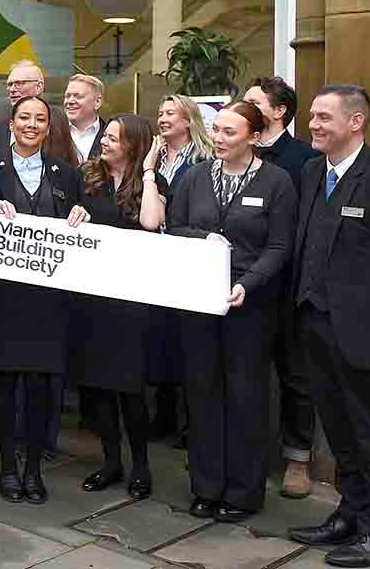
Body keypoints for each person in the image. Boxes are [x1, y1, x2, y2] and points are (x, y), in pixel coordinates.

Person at [287, 86, 370, 568]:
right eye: (312, 117)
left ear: (355, 122)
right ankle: (350, 513)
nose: (313, 125)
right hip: (314, 323)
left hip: (365, 333)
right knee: (337, 426)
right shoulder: (312, 171)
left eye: (323, 117)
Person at [167, 101, 297, 522]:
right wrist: (204, 236)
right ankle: (206, 486)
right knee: (202, 391)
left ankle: (242, 492)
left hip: (250, 306)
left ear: (254, 138)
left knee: (245, 396)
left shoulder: (277, 183)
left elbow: (280, 246)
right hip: (200, 302)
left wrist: (248, 283)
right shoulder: (195, 177)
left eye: (229, 132)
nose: (219, 139)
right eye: (217, 130)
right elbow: (176, 227)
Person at [0, 95, 90, 505]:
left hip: (48, 300)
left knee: (43, 385)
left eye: (40, 119)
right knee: (6, 382)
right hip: (3, 298)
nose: (31, 124)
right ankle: (8, 466)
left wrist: (82, 215)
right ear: (10, 123)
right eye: (24, 117)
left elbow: (78, 224)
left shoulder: (65, 173)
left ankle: (33, 469)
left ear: (49, 127)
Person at [71, 115, 166, 500]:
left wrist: (147, 173)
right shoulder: (86, 176)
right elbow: (71, 219)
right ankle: (110, 461)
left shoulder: (151, 183)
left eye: (113, 138)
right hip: (92, 296)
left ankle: (141, 465)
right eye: (105, 136)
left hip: (131, 300)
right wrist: (75, 214)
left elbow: (149, 223)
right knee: (97, 388)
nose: (105, 142)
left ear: (132, 144)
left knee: (130, 388)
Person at [243, 75, 322, 497]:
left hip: (289, 287)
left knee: (295, 376)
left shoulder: (305, 159)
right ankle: (242, 453)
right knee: (243, 374)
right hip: (243, 287)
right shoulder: (234, 151)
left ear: (279, 112)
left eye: (254, 101)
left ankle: (298, 461)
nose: (245, 105)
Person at [151, 93, 214, 438]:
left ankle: (193, 422)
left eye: (170, 114)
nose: (163, 118)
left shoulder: (205, 158)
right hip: (155, 257)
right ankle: (163, 412)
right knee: (161, 336)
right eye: (160, 113)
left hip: (188, 256)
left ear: (188, 120)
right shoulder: (153, 156)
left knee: (189, 338)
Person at [65, 74, 106, 162]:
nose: (70, 101)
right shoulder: (52, 133)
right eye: (67, 96)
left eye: (78, 96)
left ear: (97, 102)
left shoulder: (111, 136)